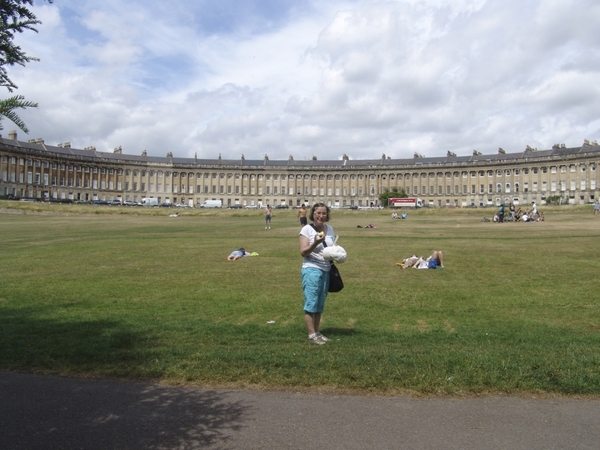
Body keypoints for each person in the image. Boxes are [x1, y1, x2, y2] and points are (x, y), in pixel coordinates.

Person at [299, 203, 335, 345]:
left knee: (320, 303)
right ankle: (311, 334)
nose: (321, 216)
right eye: (318, 213)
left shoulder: (329, 229)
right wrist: (315, 243)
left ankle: (317, 332)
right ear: (313, 214)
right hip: (311, 268)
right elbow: (303, 252)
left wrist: (337, 252)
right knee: (311, 302)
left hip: (326, 268)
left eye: (324, 213)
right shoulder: (306, 229)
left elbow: (330, 248)